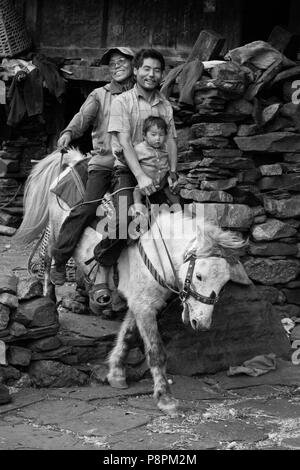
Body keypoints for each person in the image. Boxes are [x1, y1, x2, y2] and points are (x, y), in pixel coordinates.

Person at [50, 47, 135, 306]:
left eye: (122, 61)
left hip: (134, 166)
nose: (117, 66)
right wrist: (68, 133)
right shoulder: (99, 95)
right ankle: (61, 258)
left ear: (133, 64)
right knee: (87, 208)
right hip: (103, 163)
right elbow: (81, 118)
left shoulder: (140, 94)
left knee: (146, 214)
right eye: (112, 64)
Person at [93, 48, 178, 288]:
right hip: (130, 172)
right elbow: (125, 141)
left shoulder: (166, 107)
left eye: (157, 70)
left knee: (179, 218)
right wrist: (140, 176)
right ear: (137, 71)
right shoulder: (122, 101)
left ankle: (167, 281)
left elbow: (171, 140)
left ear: (162, 74)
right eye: (147, 69)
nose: (152, 74)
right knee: (123, 219)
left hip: (158, 172)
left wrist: (173, 172)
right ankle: (103, 267)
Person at [132, 115, 178, 208]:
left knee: (173, 193)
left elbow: (168, 163)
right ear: (144, 136)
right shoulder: (139, 148)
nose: (157, 138)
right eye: (153, 135)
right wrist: (121, 157)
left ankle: (179, 209)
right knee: (137, 191)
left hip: (162, 182)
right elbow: (130, 162)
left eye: (161, 135)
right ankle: (138, 205)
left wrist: (171, 175)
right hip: (147, 183)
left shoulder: (165, 148)